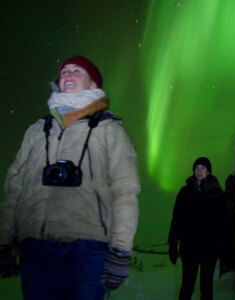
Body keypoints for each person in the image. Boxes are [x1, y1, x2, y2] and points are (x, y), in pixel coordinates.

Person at [0, 56, 140, 299]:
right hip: (36, 247)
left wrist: (120, 251)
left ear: (94, 84)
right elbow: (14, 189)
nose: (67, 75)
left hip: (89, 249)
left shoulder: (110, 130)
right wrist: (3, 241)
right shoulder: (37, 130)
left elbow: (125, 192)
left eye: (77, 71)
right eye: (64, 71)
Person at [168, 157, 228, 300]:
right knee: (187, 286)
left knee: (206, 287)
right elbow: (177, 220)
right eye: (196, 168)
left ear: (208, 171)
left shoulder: (217, 193)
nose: (199, 171)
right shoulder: (185, 192)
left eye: (202, 168)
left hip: (210, 248)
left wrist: (223, 244)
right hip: (190, 248)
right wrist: (172, 245)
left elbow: (224, 222)